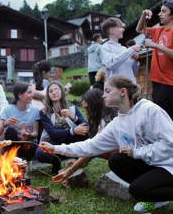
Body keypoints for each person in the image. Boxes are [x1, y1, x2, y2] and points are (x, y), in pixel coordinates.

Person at [40, 76, 173, 213]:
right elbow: (90, 146)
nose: (103, 95)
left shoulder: (149, 110)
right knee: (116, 161)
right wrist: (55, 148)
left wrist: (136, 152)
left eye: (108, 91)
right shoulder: (117, 124)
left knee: (137, 189)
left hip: (169, 164)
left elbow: (170, 143)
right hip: (152, 163)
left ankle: (152, 190)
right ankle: (157, 196)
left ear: (122, 92)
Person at [52, 89, 117, 184]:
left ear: (96, 106)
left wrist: (70, 171)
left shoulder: (108, 121)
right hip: (108, 150)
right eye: (84, 109)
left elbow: (92, 148)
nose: (86, 112)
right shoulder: (99, 118)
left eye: (87, 108)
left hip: (121, 155)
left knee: (94, 146)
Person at [35, 81, 88, 174]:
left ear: (62, 92)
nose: (54, 92)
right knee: (40, 153)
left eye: (56, 89)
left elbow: (86, 126)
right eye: (51, 91)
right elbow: (52, 133)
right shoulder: (44, 112)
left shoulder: (72, 109)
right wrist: (73, 131)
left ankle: (76, 163)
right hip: (54, 141)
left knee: (86, 134)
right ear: (48, 95)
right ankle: (56, 162)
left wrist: (73, 117)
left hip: (71, 140)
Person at [136, 0, 173, 120]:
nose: (159, 14)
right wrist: (143, 15)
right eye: (160, 11)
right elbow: (139, 29)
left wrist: (155, 45)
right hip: (157, 82)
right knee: (161, 119)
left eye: (164, 11)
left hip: (170, 83)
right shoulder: (158, 30)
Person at [0, 82, 40, 161]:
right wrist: (5, 123)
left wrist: (29, 135)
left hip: (27, 144)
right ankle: (6, 160)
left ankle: (23, 163)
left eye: (32, 92)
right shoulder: (8, 110)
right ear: (20, 95)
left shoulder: (35, 110)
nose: (32, 95)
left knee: (31, 146)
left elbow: (35, 133)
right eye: (29, 92)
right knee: (10, 131)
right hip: (12, 144)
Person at [101, 17, 141, 83]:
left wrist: (135, 60)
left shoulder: (124, 49)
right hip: (117, 89)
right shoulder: (105, 47)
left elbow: (134, 72)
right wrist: (131, 49)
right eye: (120, 27)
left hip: (130, 87)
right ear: (112, 30)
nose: (123, 29)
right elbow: (111, 64)